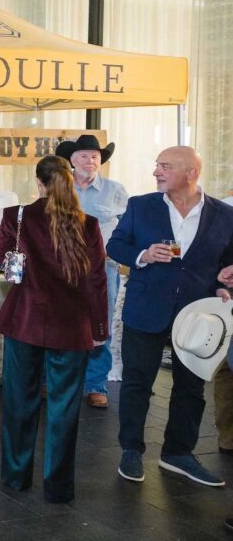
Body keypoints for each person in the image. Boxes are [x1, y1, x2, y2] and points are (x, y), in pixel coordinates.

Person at [107, 145, 233, 487]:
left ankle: (178, 453)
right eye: (156, 165)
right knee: (137, 384)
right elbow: (115, 246)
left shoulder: (225, 215)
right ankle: (131, 450)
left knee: (191, 388)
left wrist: (227, 284)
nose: (156, 172)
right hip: (146, 308)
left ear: (191, 173)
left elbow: (227, 264)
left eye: (164, 166)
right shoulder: (140, 205)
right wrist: (143, 254)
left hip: (197, 315)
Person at [0, 156, 109, 503]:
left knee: (18, 404)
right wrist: (100, 328)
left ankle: (15, 477)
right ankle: (57, 488)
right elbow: (96, 283)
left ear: (39, 183)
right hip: (72, 329)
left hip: (24, 322)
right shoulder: (89, 225)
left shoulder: (17, 216)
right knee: (64, 409)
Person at [54, 135, 129, 409]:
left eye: (95, 156)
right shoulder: (59, 188)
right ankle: (59, 382)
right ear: (72, 161)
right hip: (63, 269)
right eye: (84, 155)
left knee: (101, 325)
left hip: (103, 269)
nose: (91, 160)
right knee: (61, 323)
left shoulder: (116, 190)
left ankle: (96, 385)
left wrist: (119, 252)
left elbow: (127, 228)